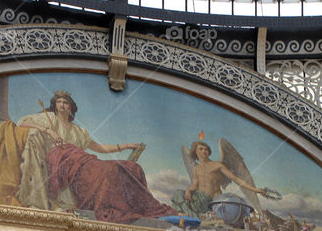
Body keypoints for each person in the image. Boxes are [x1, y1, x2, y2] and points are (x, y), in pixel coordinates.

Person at [16, 91, 175, 223]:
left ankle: (142, 207)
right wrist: (47, 130)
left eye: (66, 102)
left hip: (83, 161)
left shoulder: (79, 131)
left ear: (71, 107)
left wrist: (125, 146)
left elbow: (98, 148)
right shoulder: (48, 118)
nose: (62, 105)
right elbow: (22, 123)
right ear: (55, 105)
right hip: (64, 163)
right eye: (59, 102)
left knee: (130, 167)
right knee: (110, 170)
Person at [173, 140, 267, 216]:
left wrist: (255, 190)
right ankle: (189, 216)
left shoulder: (217, 165)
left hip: (214, 199)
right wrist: (188, 191)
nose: (204, 151)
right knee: (178, 193)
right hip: (200, 199)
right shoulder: (196, 169)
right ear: (195, 152)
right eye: (200, 149)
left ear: (209, 152)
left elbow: (235, 179)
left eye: (206, 149)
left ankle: (193, 215)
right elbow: (194, 185)